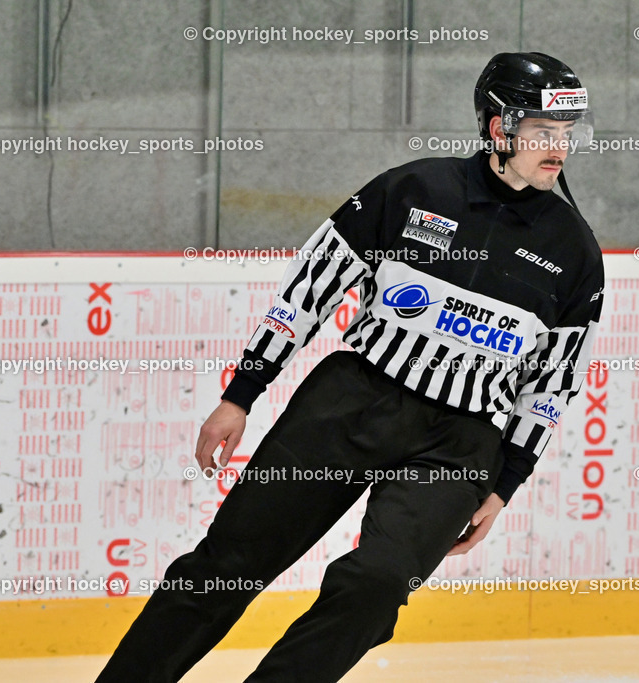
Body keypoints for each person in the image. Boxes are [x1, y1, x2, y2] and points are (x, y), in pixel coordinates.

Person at [95, 51, 604, 683]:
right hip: (352, 402)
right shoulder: (411, 190)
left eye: (567, 132)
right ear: (499, 127)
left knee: (378, 586)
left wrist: (506, 485)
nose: (559, 147)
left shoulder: (575, 252)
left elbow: (550, 386)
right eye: (542, 130)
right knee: (227, 565)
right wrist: (242, 393)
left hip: (460, 443)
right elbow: (308, 291)